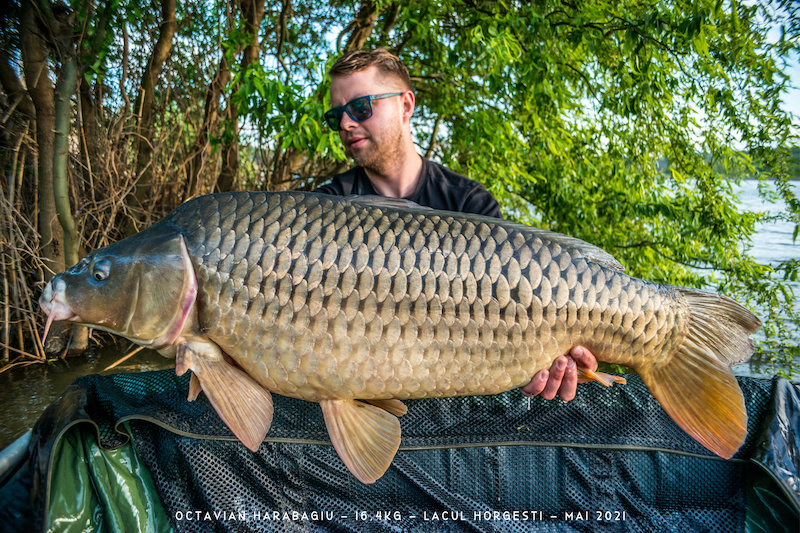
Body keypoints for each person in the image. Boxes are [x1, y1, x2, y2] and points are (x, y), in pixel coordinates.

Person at [315, 48, 598, 402]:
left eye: (360, 108)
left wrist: (539, 364)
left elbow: (518, 310)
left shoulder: (470, 204)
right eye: (335, 115)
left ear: (406, 105)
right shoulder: (325, 211)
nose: (345, 124)